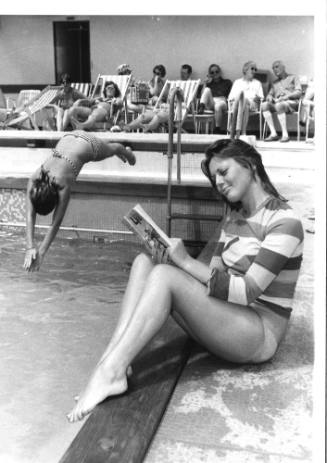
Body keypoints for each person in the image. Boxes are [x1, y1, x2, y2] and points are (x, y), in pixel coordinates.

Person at [67, 138, 304, 423]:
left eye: (223, 171)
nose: (219, 182)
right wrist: (169, 259)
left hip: (258, 333)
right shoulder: (234, 217)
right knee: (146, 264)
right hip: (230, 319)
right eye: (214, 177)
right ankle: (110, 365)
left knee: (166, 276)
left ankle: (110, 372)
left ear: (250, 164)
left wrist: (184, 263)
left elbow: (247, 291)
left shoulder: (285, 221)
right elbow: (214, 274)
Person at [24, 131, 136, 272]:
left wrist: (41, 253)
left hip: (88, 144)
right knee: (109, 150)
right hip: (68, 137)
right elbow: (30, 213)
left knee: (113, 149)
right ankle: (119, 151)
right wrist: (30, 247)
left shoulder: (62, 184)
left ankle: (126, 152)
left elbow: (55, 223)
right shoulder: (35, 178)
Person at [262, 60, 302, 142]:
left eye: (276, 67)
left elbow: (298, 92)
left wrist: (286, 97)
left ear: (283, 67)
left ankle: (285, 135)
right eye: (273, 68)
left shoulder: (293, 77)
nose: (274, 69)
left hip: (291, 103)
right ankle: (273, 134)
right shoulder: (274, 83)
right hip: (278, 103)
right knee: (264, 105)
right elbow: (270, 94)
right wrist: (269, 97)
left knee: (279, 105)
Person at [228, 61, 264, 137]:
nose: (254, 71)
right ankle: (243, 132)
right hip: (237, 104)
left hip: (252, 105)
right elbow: (231, 97)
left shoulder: (257, 83)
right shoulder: (237, 82)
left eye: (255, 69)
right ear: (245, 70)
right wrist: (240, 100)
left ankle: (233, 127)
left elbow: (261, 97)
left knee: (246, 100)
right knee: (245, 103)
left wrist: (257, 98)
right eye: (252, 69)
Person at [197, 64, 232, 134]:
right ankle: (201, 107)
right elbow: (202, 95)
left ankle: (217, 128)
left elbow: (230, 95)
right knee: (206, 89)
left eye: (216, 71)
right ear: (210, 74)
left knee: (218, 106)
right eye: (212, 72)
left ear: (220, 72)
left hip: (222, 102)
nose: (215, 73)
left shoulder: (227, 82)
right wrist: (205, 83)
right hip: (211, 102)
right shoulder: (208, 84)